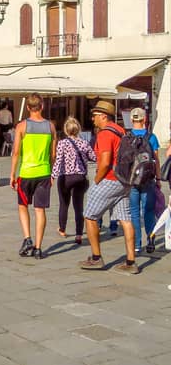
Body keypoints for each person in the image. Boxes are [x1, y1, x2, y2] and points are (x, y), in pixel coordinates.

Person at [80, 100, 138, 273]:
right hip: (125, 180)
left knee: (89, 216)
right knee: (125, 219)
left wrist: (96, 181)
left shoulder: (105, 134)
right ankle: (130, 262)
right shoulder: (121, 131)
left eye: (95, 115)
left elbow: (105, 162)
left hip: (110, 179)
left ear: (104, 116)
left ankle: (96, 258)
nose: (92, 118)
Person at [9, 95, 54, 259]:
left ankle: (27, 238)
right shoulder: (51, 127)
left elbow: (15, 152)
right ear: (42, 106)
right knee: (40, 210)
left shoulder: (22, 126)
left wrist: (12, 174)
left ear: (28, 107)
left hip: (26, 172)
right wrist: (52, 171)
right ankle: (38, 247)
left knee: (23, 206)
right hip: (44, 172)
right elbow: (53, 154)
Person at [52, 117, 94, 247]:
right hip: (80, 177)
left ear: (65, 130)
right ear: (78, 129)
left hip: (66, 177)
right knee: (79, 206)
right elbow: (94, 157)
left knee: (64, 204)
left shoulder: (62, 143)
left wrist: (53, 176)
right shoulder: (84, 143)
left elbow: (58, 161)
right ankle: (79, 234)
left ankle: (62, 229)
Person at [126, 107, 161, 254]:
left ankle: (137, 244)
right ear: (144, 119)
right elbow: (157, 160)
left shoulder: (126, 137)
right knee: (148, 210)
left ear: (132, 120)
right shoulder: (151, 137)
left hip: (132, 180)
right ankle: (151, 238)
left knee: (134, 212)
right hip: (148, 179)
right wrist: (158, 178)